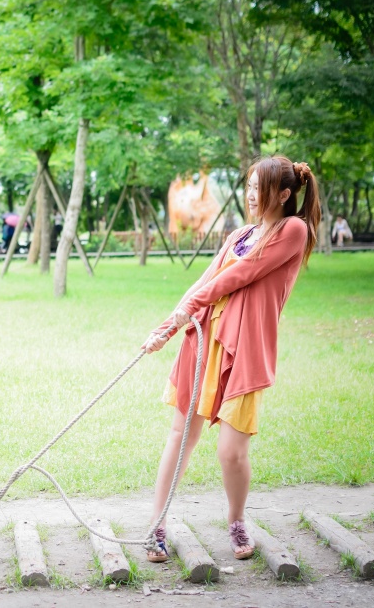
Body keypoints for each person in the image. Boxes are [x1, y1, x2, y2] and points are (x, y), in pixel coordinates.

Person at [142, 155, 319, 563]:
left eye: (262, 187)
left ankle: (237, 520)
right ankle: (157, 525)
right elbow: (204, 281)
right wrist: (166, 328)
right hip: (205, 341)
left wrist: (191, 306)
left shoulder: (293, 230)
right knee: (180, 436)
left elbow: (239, 275)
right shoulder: (239, 233)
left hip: (244, 350)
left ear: (285, 193)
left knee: (231, 452)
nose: (252, 194)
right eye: (251, 186)